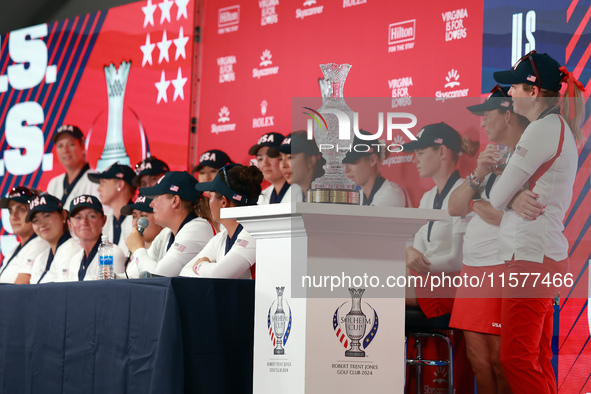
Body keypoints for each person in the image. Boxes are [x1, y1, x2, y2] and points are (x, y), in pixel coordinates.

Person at [489, 51, 584, 394]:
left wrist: (509, 195)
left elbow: (497, 197)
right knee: (536, 358)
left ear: (533, 92)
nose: (508, 93)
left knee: (516, 358)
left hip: (532, 258)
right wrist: (513, 195)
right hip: (539, 256)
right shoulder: (553, 127)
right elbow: (506, 194)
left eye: (513, 86)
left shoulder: (543, 129)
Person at [448, 85, 528, 394]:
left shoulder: (525, 158)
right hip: (473, 271)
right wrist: (479, 173)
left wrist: (478, 205)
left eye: (487, 115)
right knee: (477, 358)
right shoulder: (492, 162)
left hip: (501, 268)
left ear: (508, 114)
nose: (482, 123)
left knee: (500, 360)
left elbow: (516, 220)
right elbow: (454, 207)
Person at [402, 122, 474, 394]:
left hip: (455, 288)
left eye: (420, 151)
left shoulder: (466, 191)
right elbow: (416, 249)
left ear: (442, 152)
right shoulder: (428, 197)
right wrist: (408, 253)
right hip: (430, 283)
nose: (415, 158)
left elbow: (457, 261)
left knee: (375, 290)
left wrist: (417, 264)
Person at [125, 171, 216, 277]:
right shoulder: (166, 234)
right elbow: (131, 276)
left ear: (175, 201)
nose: (151, 203)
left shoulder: (198, 228)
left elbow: (157, 276)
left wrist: (137, 249)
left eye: (157, 196)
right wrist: (112, 276)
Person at [181, 164, 262, 279]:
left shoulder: (254, 232)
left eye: (210, 196)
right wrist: (207, 269)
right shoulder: (222, 237)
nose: (208, 202)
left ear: (224, 202)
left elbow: (218, 275)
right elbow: (184, 272)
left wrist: (200, 266)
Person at [66, 195, 125, 281]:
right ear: (70, 224)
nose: (84, 222)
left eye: (91, 216)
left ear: (104, 220)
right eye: (78, 218)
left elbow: (115, 292)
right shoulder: (74, 260)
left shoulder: (112, 254)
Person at [343, 130, 408, 207]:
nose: (346, 170)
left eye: (352, 162)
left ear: (372, 160)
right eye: (343, 163)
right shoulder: (359, 196)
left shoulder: (391, 193)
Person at [27, 194, 82, 284]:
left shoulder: (72, 250)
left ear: (63, 216)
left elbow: (65, 294)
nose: (42, 224)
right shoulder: (41, 257)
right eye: (36, 220)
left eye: (47, 216)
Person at [0, 187, 49, 284]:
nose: (14, 217)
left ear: (36, 213)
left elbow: (19, 291)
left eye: (21, 210)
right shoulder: (15, 250)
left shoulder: (40, 244)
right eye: (11, 211)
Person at [46, 124, 100, 209]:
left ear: (82, 146)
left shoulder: (96, 181)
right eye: (60, 146)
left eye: (71, 144)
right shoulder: (54, 183)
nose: (65, 150)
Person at [88, 163, 136, 254]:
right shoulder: (106, 220)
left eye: (103, 182)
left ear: (120, 185)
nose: (98, 189)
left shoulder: (139, 220)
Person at [268, 131, 325, 202]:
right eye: (280, 159)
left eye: (290, 158)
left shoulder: (329, 194)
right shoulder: (295, 194)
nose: (283, 165)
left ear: (311, 161)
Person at [120, 194, 164, 278]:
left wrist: (137, 249)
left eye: (143, 216)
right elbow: (130, 278)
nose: (137, 222)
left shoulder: (166, 247)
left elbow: (153, 278)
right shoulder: (141, 252)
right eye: (134, 216)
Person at [248, 132, 290, 204]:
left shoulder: (302, 190)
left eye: (271, 156)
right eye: (260, 159)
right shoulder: (261, 197)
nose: (265, 163)